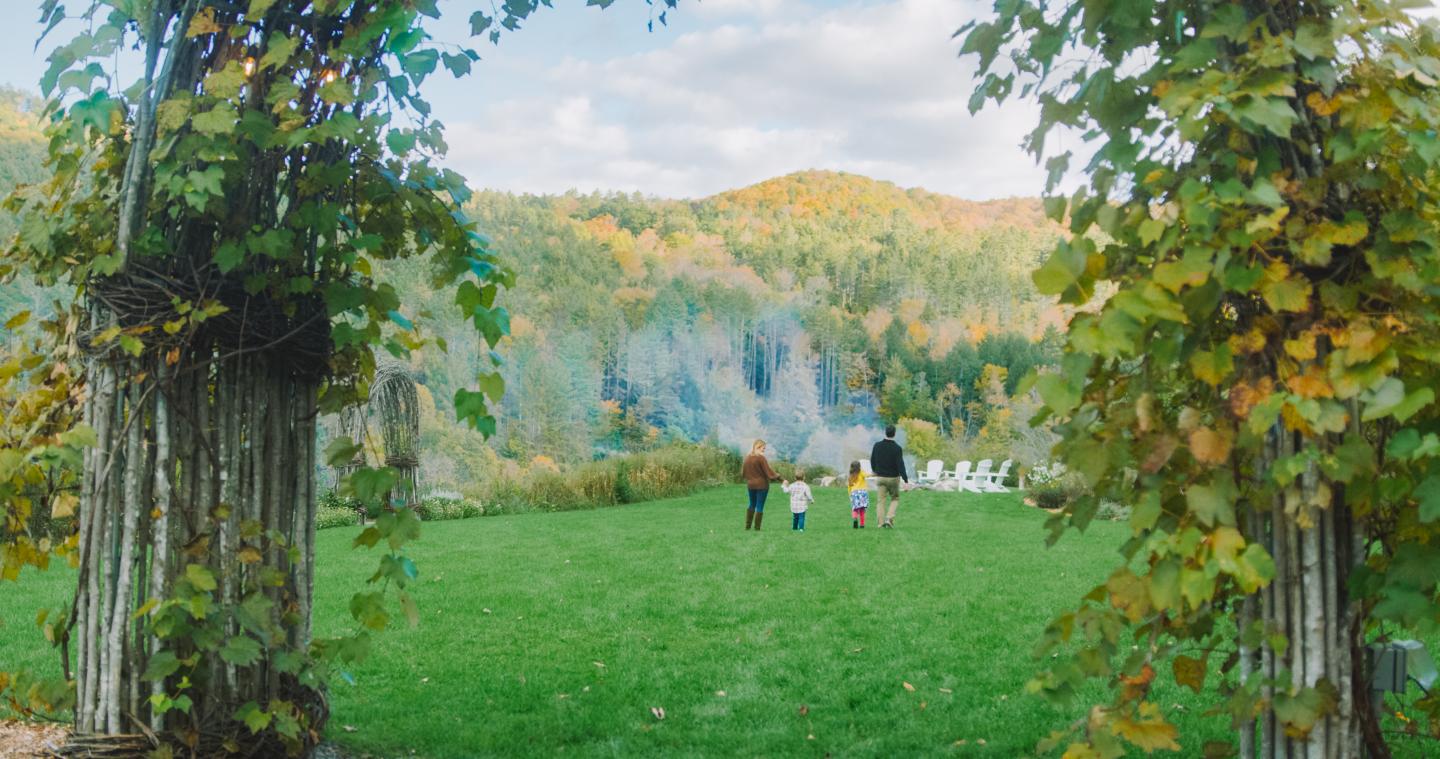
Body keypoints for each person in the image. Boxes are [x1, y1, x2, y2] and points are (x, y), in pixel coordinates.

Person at [869, 424, 907, 528]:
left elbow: (872, 460)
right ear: (894, 434)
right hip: (894, 478)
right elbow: (901, 465)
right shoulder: (897, 448)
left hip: (881, 477)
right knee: (895, 498)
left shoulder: (877, 446)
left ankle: (880, 524)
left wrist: (875, 471)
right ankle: (889, 518)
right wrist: (905, 480)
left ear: (885, 432)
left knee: (880, 501)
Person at [741, 439, 781, 531]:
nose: (764, 450)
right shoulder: (761, 458)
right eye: (763, 448)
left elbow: (743, 473)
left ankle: (747, 527)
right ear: (758, 447)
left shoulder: (747, 458)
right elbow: (769, 473)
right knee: (759, 506)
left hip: (751, 485)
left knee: (752, 504)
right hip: (762, 486)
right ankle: (757, 528)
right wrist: (780, 478)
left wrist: (750, 478)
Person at [847, 460, 869, 529]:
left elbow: (849, 486)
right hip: (862, 492)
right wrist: (874, 474)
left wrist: (850, 494)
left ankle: (855, 519)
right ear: (859, 466)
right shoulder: (861, 472)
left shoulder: (850, 476)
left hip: (854, 493)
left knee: (855, 509)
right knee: (862, 509)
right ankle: (862, 524)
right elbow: (867, 475)